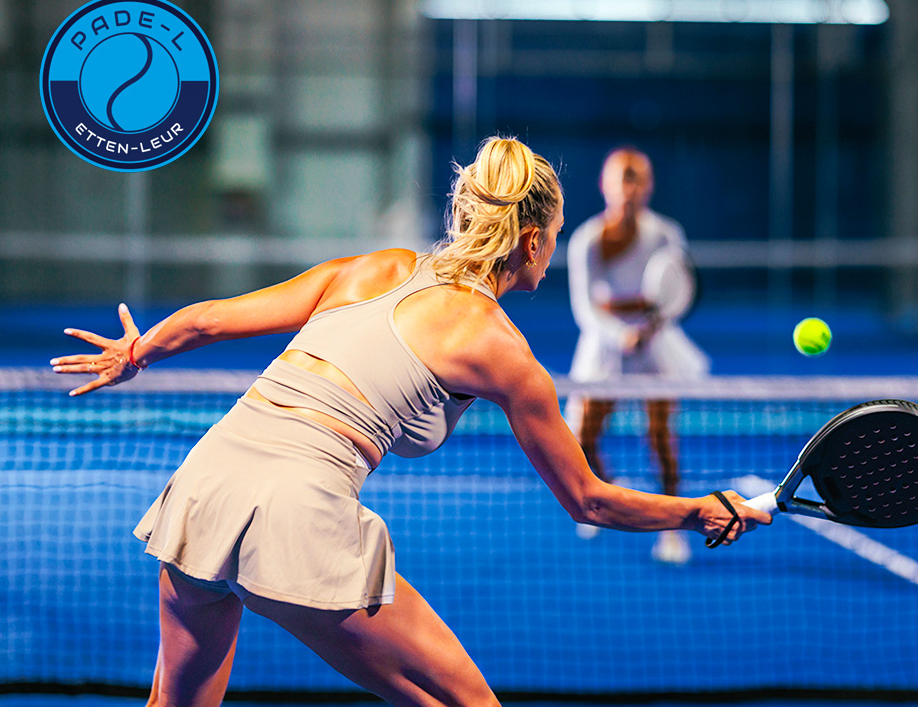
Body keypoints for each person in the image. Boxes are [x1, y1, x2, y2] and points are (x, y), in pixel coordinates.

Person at [50, 136, 769, 707]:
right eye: (551, 233)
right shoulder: (502, 350)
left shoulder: (377, 266)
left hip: (206, 482)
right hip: (294, 511)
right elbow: (589, 499)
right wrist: (698, 511)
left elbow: (207, 320)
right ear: (531, 243)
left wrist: (135, 353)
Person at [565, 147, 710, 565]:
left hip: (656, 348)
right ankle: (605, 500)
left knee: (662, 438)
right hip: (604, 349)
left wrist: (646, 328)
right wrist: (620, 331)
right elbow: (584, 308)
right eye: (621, 180)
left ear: (648, 187)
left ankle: (672, 531)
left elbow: (674, 297)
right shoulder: (586, 239)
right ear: (604, 186)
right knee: (582, 439)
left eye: (637, 180)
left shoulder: (666, 234)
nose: (629, 190)